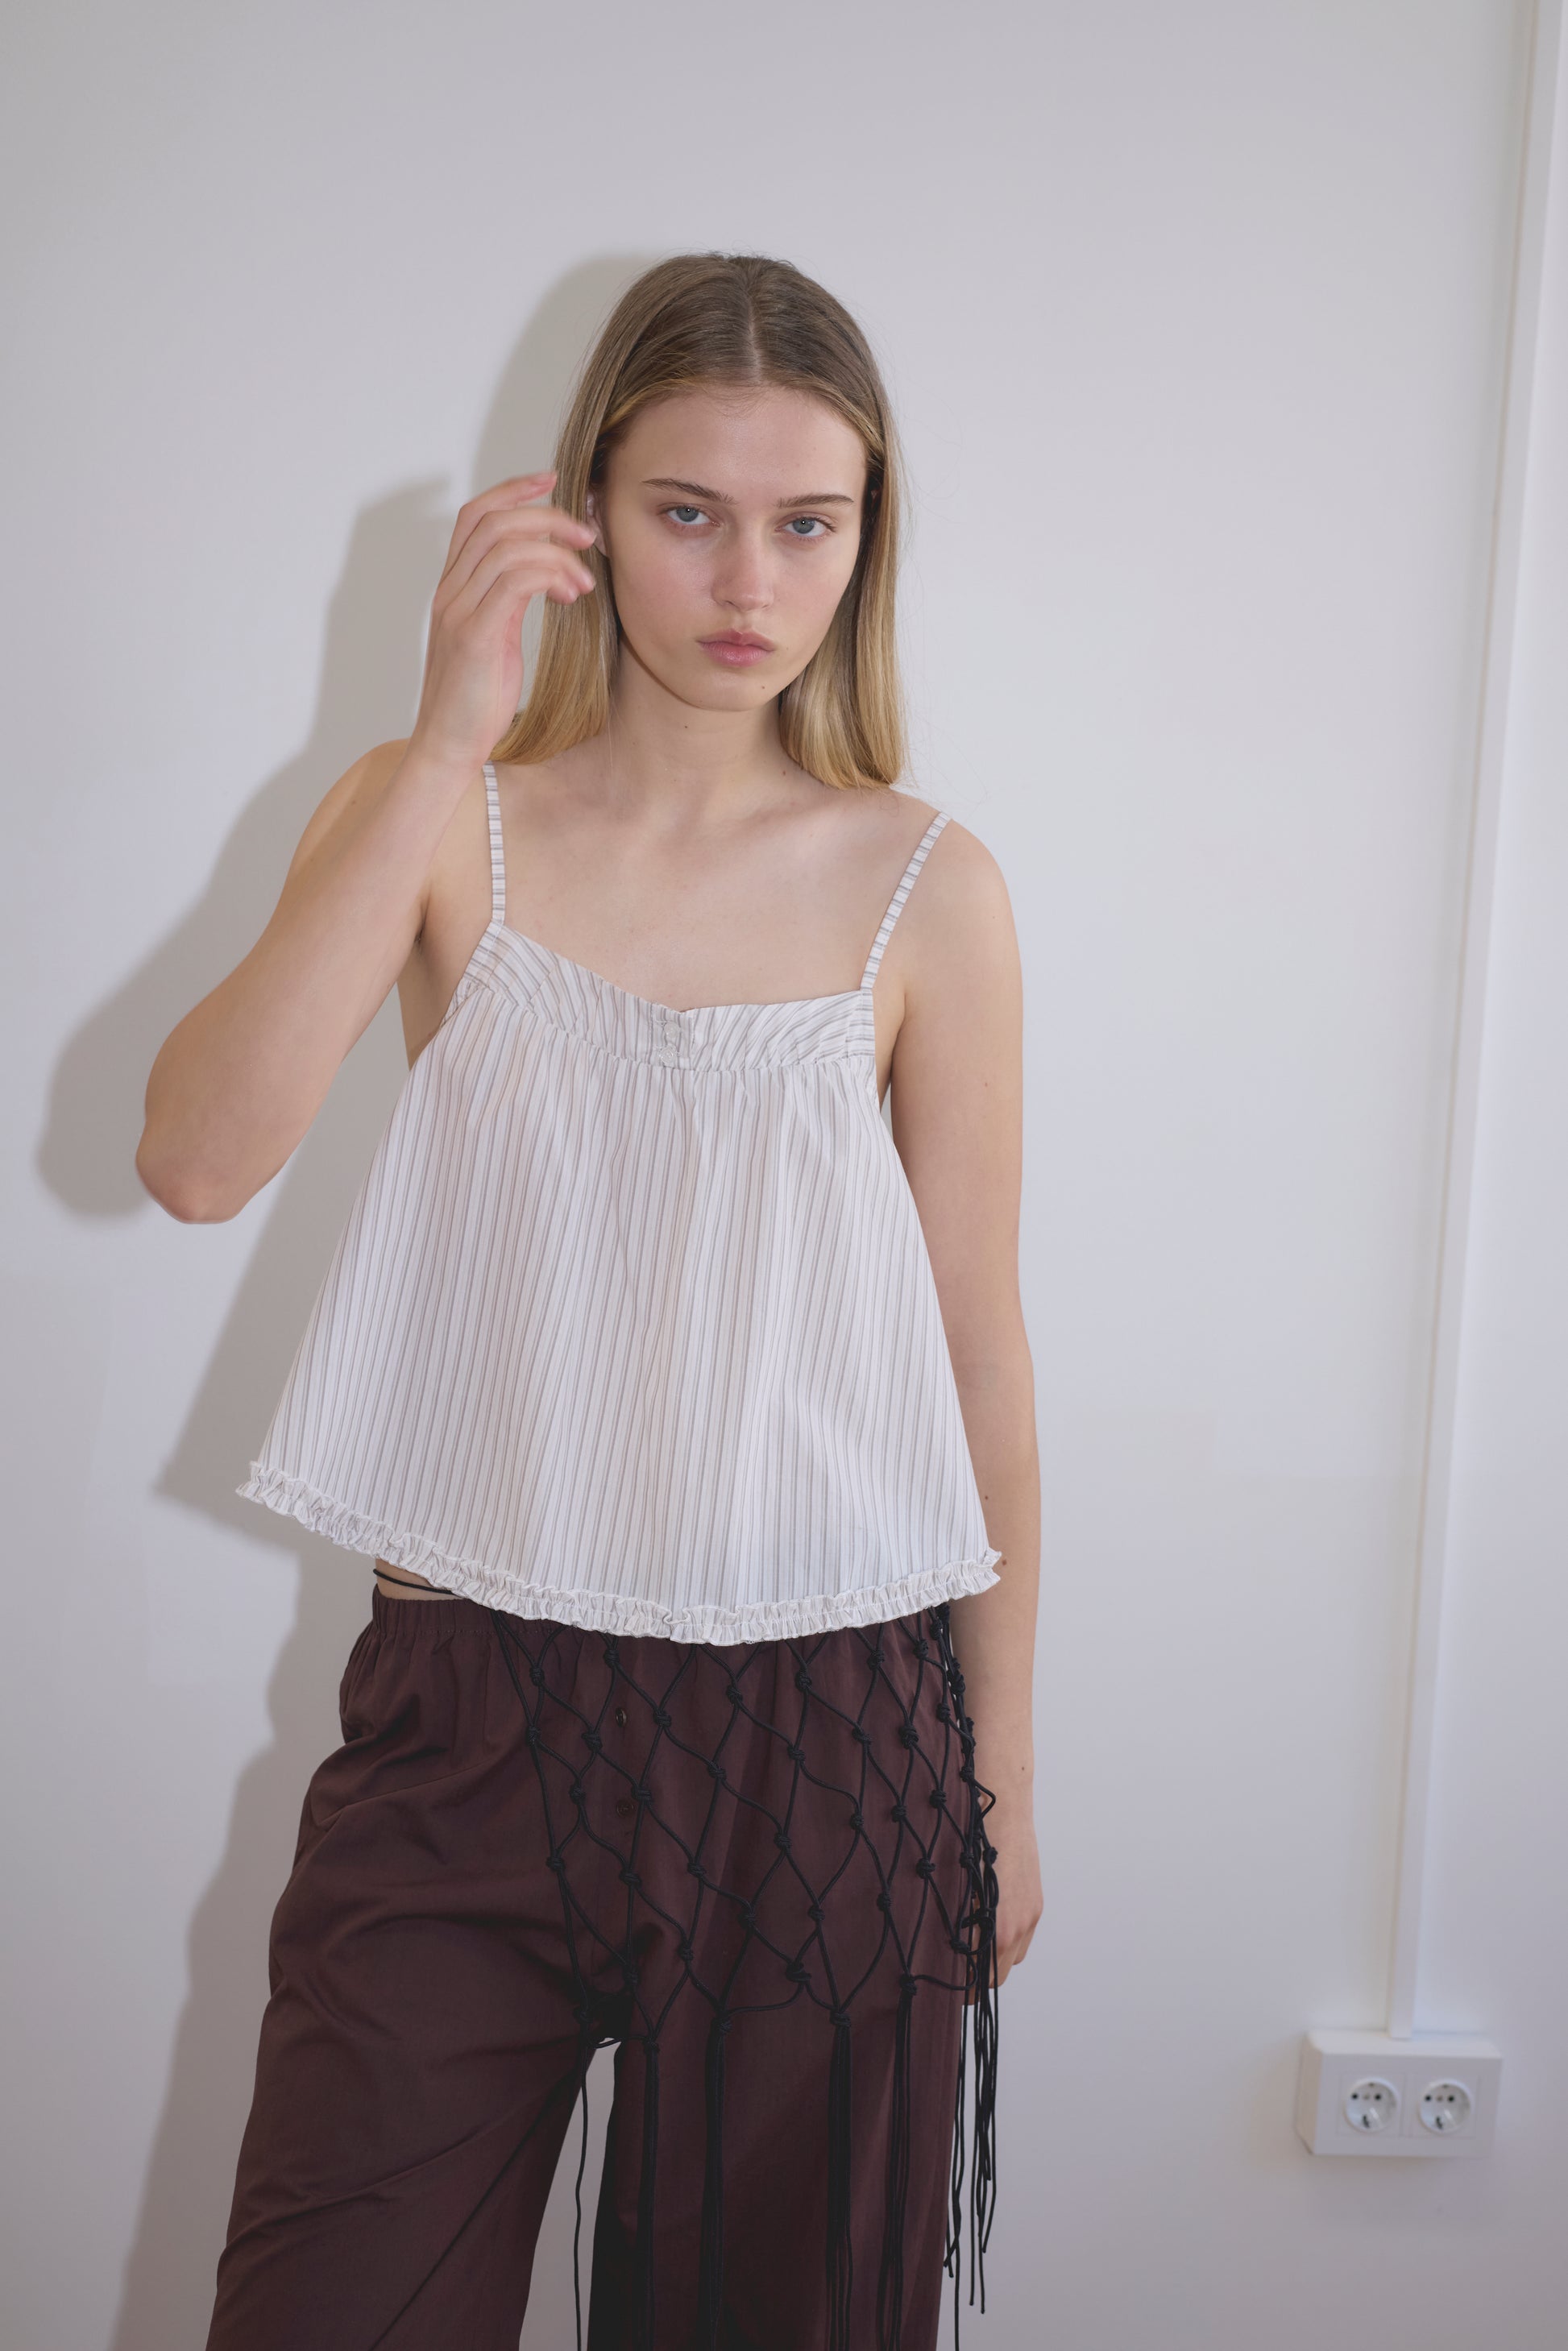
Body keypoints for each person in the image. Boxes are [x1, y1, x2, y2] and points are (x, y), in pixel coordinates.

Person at [138, 249, 1043, 2351]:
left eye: (808, 523)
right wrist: (439, 736)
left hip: (832, 1740)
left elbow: (976, 1353)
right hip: (471, 1720)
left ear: (867, 543)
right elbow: (192, 1159)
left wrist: (1002, 1776)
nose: (748, 581)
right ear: (584, 510)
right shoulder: (440, 820)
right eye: (687, 512)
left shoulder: (926, 888)